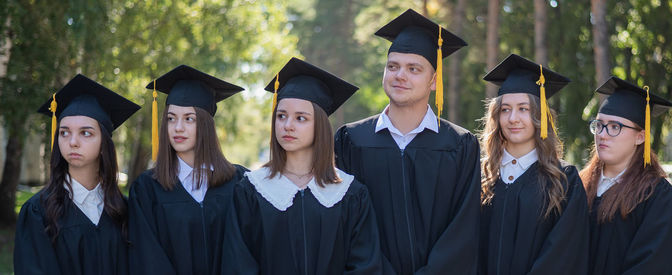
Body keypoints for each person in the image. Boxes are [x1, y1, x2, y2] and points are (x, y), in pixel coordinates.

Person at [334, 9, 480, 275]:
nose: (400, 75)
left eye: (414, 69)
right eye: (393, 66)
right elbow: (346, 223)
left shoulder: (460, 145)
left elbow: (464, 229)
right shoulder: (351, 141)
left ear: (434, 81)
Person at [221, 57, 382, 274]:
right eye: (281, 116)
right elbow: (238, 264)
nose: (287, 126)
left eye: (301, 118)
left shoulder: (350, 194)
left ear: (320, 126)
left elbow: (364, 266)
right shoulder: (251, 190)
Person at [14, 74, 140, 275]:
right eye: (64, 132)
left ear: (104, 144)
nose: (72, 141)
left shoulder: (124, 211)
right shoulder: (38, 213)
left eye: (86, 133)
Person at [128, 65, 248, 275]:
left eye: (189, 119)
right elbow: (147, 259)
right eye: (171, 118)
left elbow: (246, 252)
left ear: (206, 124)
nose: (178, 128)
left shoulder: (239, 183)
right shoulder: (147, 189)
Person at [478, 54, 589, 274]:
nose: (513, 119)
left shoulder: (564, 180)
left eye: (523, 109)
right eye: (505, 109)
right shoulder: (482, 176)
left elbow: (564, 255)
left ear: (540, 116)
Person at [579, 76, 672, 274]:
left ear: (640, 137)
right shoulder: (579, 186)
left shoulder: (658, 198)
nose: (602, 134)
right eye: (599, 125)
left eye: (614, 127)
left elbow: (653, 265)